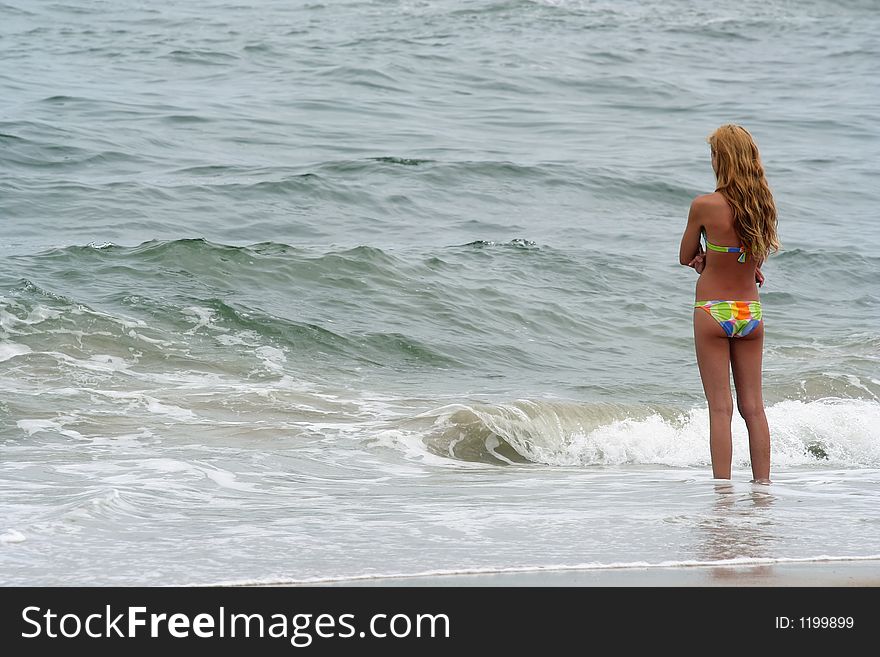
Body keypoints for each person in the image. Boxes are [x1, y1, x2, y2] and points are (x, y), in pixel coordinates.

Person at [679, 124, 780, 483]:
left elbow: (685, 255)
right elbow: (754, 261)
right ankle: (763, 488)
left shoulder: (704, 205)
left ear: (720, 159)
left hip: (712, 311)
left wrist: (706, 257)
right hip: (750, 314)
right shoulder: (763, 206)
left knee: (720, 409)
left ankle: (722, 492)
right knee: (754, 408)